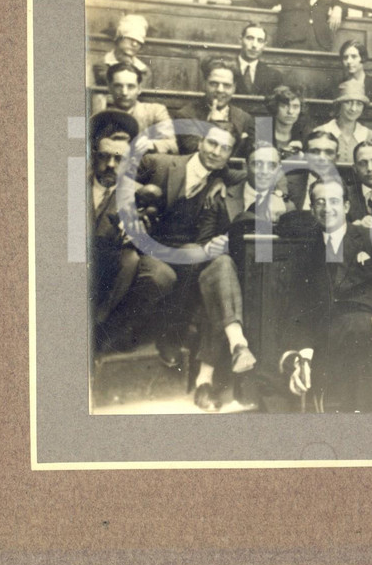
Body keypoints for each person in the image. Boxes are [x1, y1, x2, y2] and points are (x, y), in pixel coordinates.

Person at [124, 122, 256, 411]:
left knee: (212, 261)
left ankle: (211, 341)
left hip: (189, 253)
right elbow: (115, 174)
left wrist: (222, 180)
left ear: (230, 155)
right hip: (151, 246)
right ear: (200, 143)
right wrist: (136, 204)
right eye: (212, 143)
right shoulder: (162, 164)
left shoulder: (224, 176)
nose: (216, 151)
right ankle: (161, 336)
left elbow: (260, 173)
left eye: (224, 148)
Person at [277, 179, 372, 413]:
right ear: (312, 209)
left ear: (347, 207)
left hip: (370, 336)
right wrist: (304, 352)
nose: (327, 208)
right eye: (319, 202)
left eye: (333, 201)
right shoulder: (308, 250)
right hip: (328, 341)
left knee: (365, 405)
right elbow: (301, 308)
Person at [88, 110, 175, 353]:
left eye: (119, 158)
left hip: (119, 264)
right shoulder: (74, 186)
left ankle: (107, 333)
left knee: (159, 274)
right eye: (104, 156)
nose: (111, 165)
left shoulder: (140, 194)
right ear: (93, 154)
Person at [175, 58, 254, 157]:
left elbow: (251, 155)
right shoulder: (185, 116)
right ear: (204, 84)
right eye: (214, 84)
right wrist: (212, 125)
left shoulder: (245, 118)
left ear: (234, 88)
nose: (220, 90)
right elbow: (193, 152)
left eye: (227, 85)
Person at [93, 62, 178, 155]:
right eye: (118, 86)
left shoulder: (155, 111)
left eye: (131, 86)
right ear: (109, 88)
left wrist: (148, 145)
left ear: (139, 89)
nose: (124, 92)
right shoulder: (101, 115)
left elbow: (172, 146)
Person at [230, 0, 343, 51]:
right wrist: (230, 2)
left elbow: (344, 6)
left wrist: (338, 7)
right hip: (292, 43)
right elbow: (260, 2)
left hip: (320, 45)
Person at [221, 143, 295, 223]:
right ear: (246, 166)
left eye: (271, 165)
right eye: (257, 164)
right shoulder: (222, 199)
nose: (264, 171)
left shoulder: (287, 207)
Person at [88, 14, 152, 101]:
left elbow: (140, 99)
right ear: (119, 38)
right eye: (131, 38)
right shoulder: (101, 65)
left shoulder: (144, 71)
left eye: (139, 41)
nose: (134, 44)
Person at [314, 79, 372, 163]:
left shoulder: (370, 136)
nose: (353, 108)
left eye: (359, 104)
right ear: (339, 104)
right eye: (348, 102)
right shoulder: (321, 131)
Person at [231, 22, 284, 97]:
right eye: (250, 38)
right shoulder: (226, 68)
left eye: (260, 40)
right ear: (240, 40)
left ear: (264, 45)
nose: (254, 45)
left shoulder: (274, 76)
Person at [264, 84, 310, 160]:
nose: (290, 111)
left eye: (295, 107)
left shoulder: (305, 134)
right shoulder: (262, 130)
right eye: (284, 106)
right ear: (275, 107)